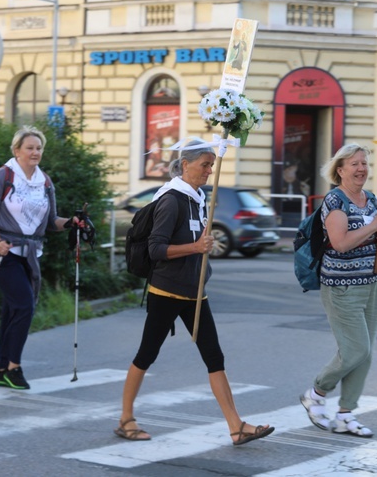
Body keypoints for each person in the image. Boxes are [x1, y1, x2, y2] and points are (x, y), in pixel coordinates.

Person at [114, 145, 274, 446]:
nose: (209, 170)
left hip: (195, 292)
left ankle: (236, 426)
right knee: (146, 354)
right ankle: (126, 418)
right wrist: (195, 248)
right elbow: (156, 249)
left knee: (215, 357)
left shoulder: (198, 200)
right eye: (204, 164)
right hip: (166, 291)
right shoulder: (171, 200)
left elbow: (193, 240)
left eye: (212, 165)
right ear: (185, 165)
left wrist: (203, 244)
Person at [0, 126, 81, 390]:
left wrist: (71, 223)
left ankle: (1, 370)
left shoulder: (44, 182)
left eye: (39, 148)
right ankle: (14, 367)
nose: (35, 152)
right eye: (30, 148)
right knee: (24, 305)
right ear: (17, 151)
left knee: (13, 309)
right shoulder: (3, 176)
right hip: (1, 251)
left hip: (30, 253)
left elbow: (50, 222)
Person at [299, 143, 377, 438]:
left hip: (372, 282)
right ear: (340, 170)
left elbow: (373, 237)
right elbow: (340, 243)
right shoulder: (335, 201)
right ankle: (316, 393)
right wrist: (374, 227)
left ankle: (345, 415)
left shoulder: (371, 199)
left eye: (364, 163)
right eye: (354, 164)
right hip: (343, 286)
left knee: (366, 353)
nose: (362, 168)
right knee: (355, 350)